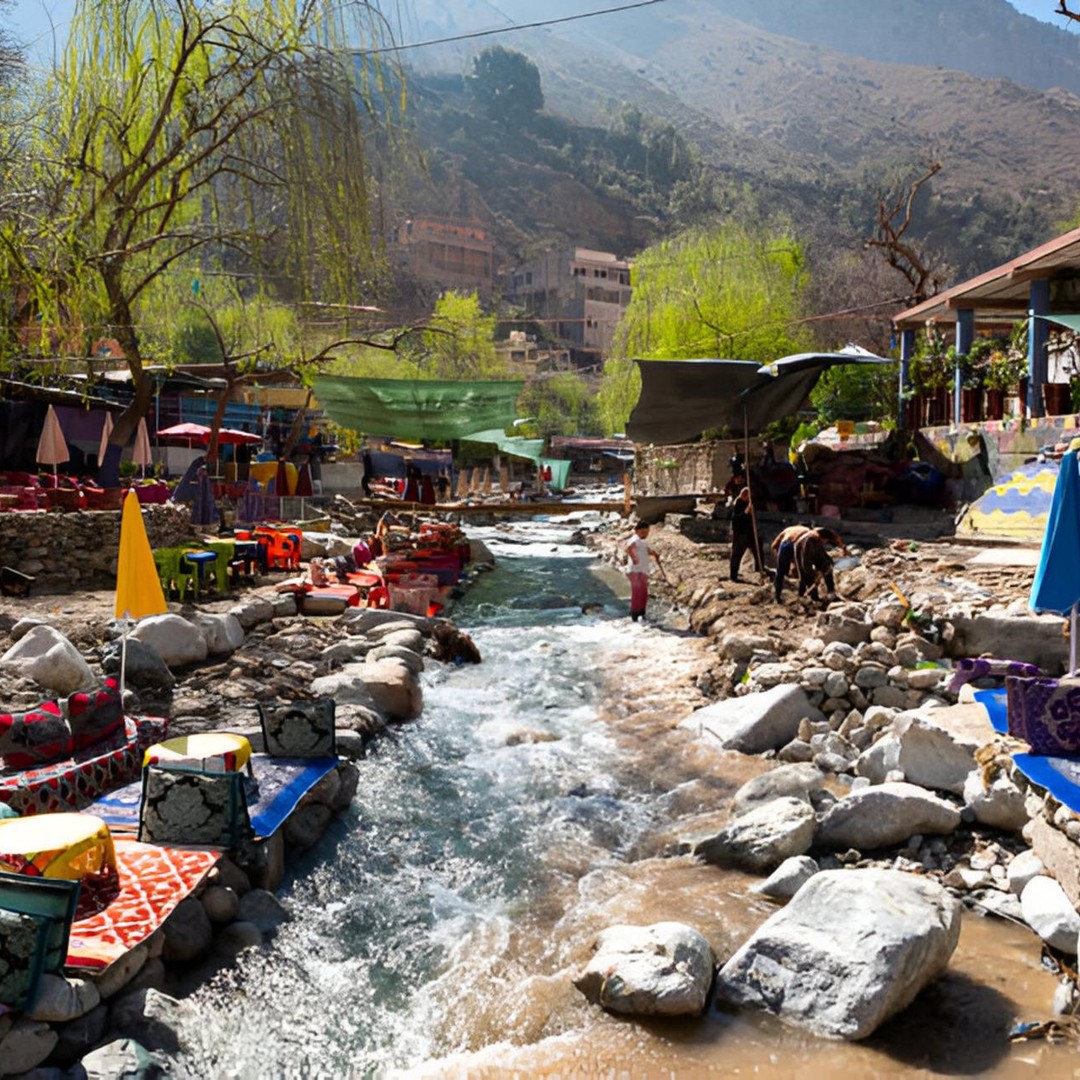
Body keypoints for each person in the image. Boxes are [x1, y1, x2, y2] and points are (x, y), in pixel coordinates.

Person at [772, 524, 848, 602]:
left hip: (803, 542)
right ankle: (783, 595)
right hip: (791, 544)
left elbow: (774, 546)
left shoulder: (812, 535)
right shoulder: (811, 531)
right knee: (799, 570)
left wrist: (843, 548)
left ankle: (826, 593)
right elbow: (775, 546)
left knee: (823, 564)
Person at [624, 522, 663, 622]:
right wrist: (634, 558)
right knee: (637, 593)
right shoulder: (635, 539)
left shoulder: (642, 541)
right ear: (638, 531)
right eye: (645, 531)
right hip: (635, 570)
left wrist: (654, 554)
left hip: (642, 570)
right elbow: (628, 549)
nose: (647, 533)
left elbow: (646, 550)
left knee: (643, 593)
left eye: (648, 531)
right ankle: (635, 615)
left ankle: (641, 612)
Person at [729, 486, 762, 582]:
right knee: (737, 554)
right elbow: (736, 519)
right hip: (740, 533)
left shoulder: (749, 502)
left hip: (749, 532)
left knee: (758, 548)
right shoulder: (738, 503)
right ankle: (733, 575)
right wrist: (746, 512)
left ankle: (760, 569)